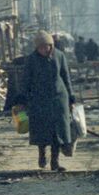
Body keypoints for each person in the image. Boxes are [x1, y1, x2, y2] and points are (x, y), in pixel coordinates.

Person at [12, 30, 75, 172]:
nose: (44, 49)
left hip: (59, 100)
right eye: (41, 47)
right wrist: (22, 98)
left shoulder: (59, 56)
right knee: (41, 130)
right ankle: (42, 154)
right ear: (37, 48)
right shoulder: (31, 59)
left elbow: (66, 77)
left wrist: (71, 97)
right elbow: (25, 80)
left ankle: (55, 162)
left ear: (51, 45)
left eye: (46, 46)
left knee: (57, 133)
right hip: (39, 100)